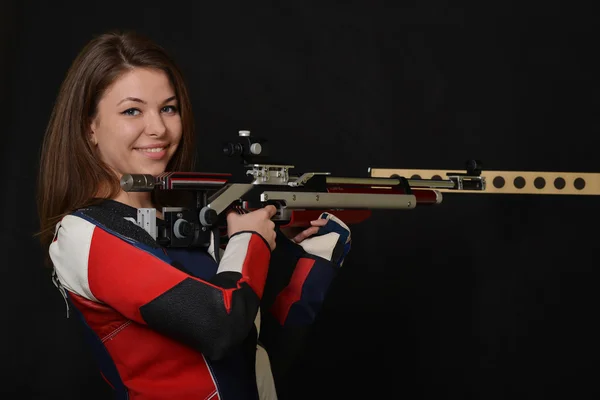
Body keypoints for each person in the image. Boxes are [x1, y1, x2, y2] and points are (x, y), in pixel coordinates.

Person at [36, 30, 352, 400]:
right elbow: (219, 327)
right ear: (89, 126)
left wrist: (316, 260)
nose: (158, 128)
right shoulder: (82, 235)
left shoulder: (191, 223)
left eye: (168, 108)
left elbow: (251, 362)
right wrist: (248, 240)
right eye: (132, 110)